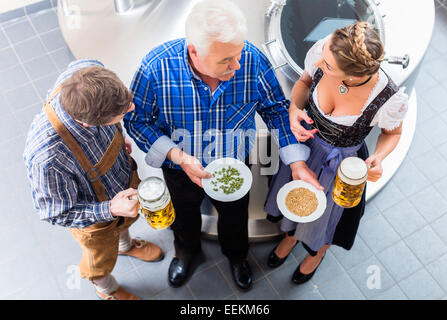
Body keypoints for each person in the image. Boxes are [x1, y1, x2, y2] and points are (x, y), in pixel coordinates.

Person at [123, 0, 319, 290]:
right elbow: (137, 121)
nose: (237, 65)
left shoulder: (251, 59)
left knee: (234, 218)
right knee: (183, 214)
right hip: (179, 167)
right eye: (226, 60)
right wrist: (178, 156)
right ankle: (186, 252)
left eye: (238, 54)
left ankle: (237, 257)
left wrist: (298, 163)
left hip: (234, 164)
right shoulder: (156, 68)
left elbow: (276, 110)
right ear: (194, 52)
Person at [264, 21, 408, 284]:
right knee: (298, 200)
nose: (319, 65)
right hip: (305, 146)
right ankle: (290, 237)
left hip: (342, 164)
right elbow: (304, 83)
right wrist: (295, 109)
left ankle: (315, 254)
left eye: (328, 67)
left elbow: (392, 134)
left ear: (351, 76)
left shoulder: (388, 98)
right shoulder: (326, 51)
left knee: (330, 217)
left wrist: (378, 157)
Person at [23, 60, 164, 300]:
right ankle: (105, 289)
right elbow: (56, 213)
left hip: (123, 179)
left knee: (125, 225)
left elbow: (115, 107)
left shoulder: (86, 68)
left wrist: (117, 138)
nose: (132, 108)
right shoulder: (47, 157)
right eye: (122, 112)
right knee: (99, 261)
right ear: (88, 124)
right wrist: (110, 208)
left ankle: (126, 247)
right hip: (96, 220)